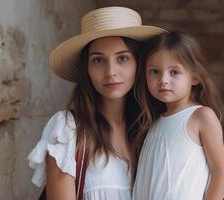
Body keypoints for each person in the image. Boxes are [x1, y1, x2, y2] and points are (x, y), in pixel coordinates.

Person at [27, 6, 166, 200]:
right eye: (98, 60)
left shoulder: (154, 128)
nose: (111, 71)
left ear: (139, 64)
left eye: (122, 58)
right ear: (87, 69)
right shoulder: (69, 130)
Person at [132, 31, 224, 200]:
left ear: (194, 77)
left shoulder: (201, 116)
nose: (163, 80)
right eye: (154, 71)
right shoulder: (152, 123)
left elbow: (221, 172)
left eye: (174, 72)